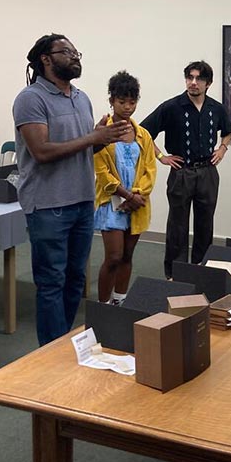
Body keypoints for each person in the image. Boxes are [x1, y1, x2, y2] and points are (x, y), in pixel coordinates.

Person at [13, 34, 130, 345]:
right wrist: (93, 138)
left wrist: (102, 138)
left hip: (81, 202)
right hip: (49, 205)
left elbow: (78, 149)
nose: (75, 56)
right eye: (66, 52)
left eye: (76, 51)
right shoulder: (31, 98)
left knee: (76, 280)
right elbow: (42, 151)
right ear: (46, 59)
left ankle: (63, 344)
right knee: (51, 282)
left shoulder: (82, 98)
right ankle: (50, 353)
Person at [140, 61, 231, 278]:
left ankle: (201, 270)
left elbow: (227, 130)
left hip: (208, 172)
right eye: (189, 78)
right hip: (181, 172)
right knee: (177, 226)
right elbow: (143, 132)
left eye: (199, 79)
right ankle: (174, 274)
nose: (193, 83)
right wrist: (161, 156)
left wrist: (223, 148)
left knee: (205, 223)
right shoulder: (171, 107)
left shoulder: (216, 108)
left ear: (208, 83)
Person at [93, 71, 156, 306]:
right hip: (112, 203)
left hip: (137, 205)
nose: (127, 107)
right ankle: (102, 305)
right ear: (111, 100)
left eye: (132, 102)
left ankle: (120, 300)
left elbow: (150, 169)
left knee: (128, 255)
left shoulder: (143, 135)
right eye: (122, 102)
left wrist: (137, 194)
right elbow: (101, 173)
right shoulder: (101, 133)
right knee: (113, 257)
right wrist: (126, 195)